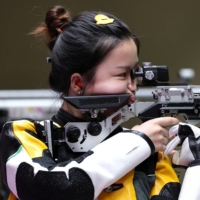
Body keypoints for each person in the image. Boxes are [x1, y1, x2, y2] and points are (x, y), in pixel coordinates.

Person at [0, 5, 190, 200]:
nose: (133, 85)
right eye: (121, 74)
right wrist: (136, 143)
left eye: (134, 74)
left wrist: (197, 166)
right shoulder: (23, 135)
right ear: (78, 83)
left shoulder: (150, 153)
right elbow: (52, 190)